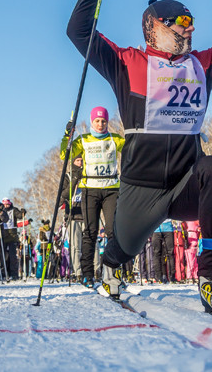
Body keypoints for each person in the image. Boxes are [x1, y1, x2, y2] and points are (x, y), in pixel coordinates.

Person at [66, 0, 212, 313]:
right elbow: (78, 32)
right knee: (121, 250)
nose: (190, 29)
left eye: (192, 22)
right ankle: (110, 270)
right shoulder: (127, 63)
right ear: (155, 26)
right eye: (182, 21)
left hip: (186, 183)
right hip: (141, 188)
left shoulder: (201, 65)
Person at [61, 107, 125, 288]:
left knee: (113, 232)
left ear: (107, 122)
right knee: (90, 232)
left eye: (103, 121)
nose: (100, 124)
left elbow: (132, 148)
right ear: (91, 122)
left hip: (111, 189)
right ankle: (87, 274)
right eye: (97, 121)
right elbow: (64, 155)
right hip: (89, 189)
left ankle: (113, 272)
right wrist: (67, 135)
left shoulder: (115, 139)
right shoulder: (83, 140)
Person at [60, 156, 84, 282]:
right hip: (73, 214)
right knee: (75, 246)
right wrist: (74, 180)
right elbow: (63, 195)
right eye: (77, 160)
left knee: (91, 244)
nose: (80, 163)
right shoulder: (68, 176)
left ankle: (92, 270)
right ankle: (77, 271)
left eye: (82, 160)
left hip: (87, 213)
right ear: (73, 162)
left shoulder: (87, 174)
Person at [0, 198, 24, 280]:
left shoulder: (13, 210)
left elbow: (19, 216)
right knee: (4, 256)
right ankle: (3, 273)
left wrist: (23, 212)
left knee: (13, 256)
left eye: (8, 204)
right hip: (3, 234)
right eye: (5, 204)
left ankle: (14, 274)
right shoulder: (0, 210)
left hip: (12, 235)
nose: (6, 206)